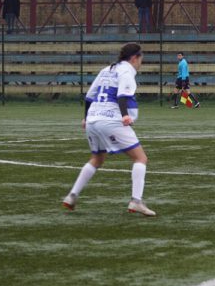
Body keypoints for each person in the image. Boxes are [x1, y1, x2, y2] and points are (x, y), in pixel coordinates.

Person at [63, 43, 156, 216]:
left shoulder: (107, 69)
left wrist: (86, 117)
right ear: (135, 57)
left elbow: (89, 96)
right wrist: (124, 115)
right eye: (141, 58)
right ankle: (136, 201)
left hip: (93, 119)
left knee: (97, 159)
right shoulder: (127, 71)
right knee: (140, 158)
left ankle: (71, 196)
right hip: (111, 119)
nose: (141, 62)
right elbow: (122, 96)